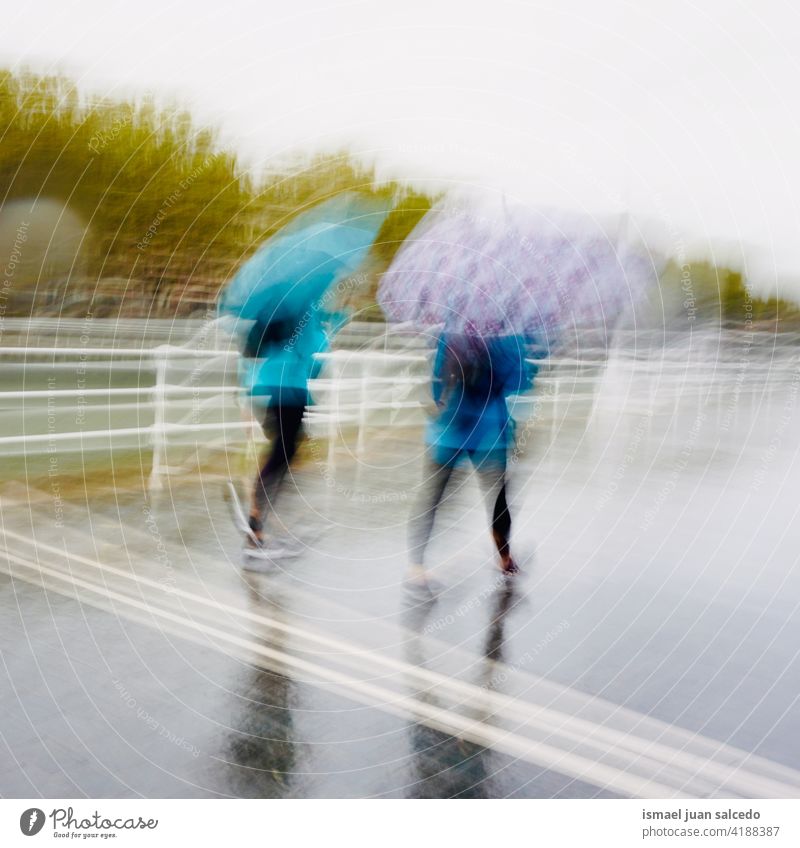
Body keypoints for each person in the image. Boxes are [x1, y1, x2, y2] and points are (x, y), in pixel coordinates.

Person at [407, 331, 535, 593]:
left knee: (431, 496)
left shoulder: (451, 332)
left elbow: (435, 382)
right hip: (490, 433)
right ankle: (504, 558)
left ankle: (416, 567)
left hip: (448, 429)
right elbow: (520, 382)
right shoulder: (508, 337)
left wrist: (440, 398)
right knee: (498, 501)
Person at [234, 310, 328, 563]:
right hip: (290, 390)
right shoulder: (306, 311)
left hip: (268, 386)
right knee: (282, 457)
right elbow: (316, 356)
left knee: (281, 456)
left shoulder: (279, 309)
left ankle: (261, 522)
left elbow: (254, 350)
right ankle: (256, 526)